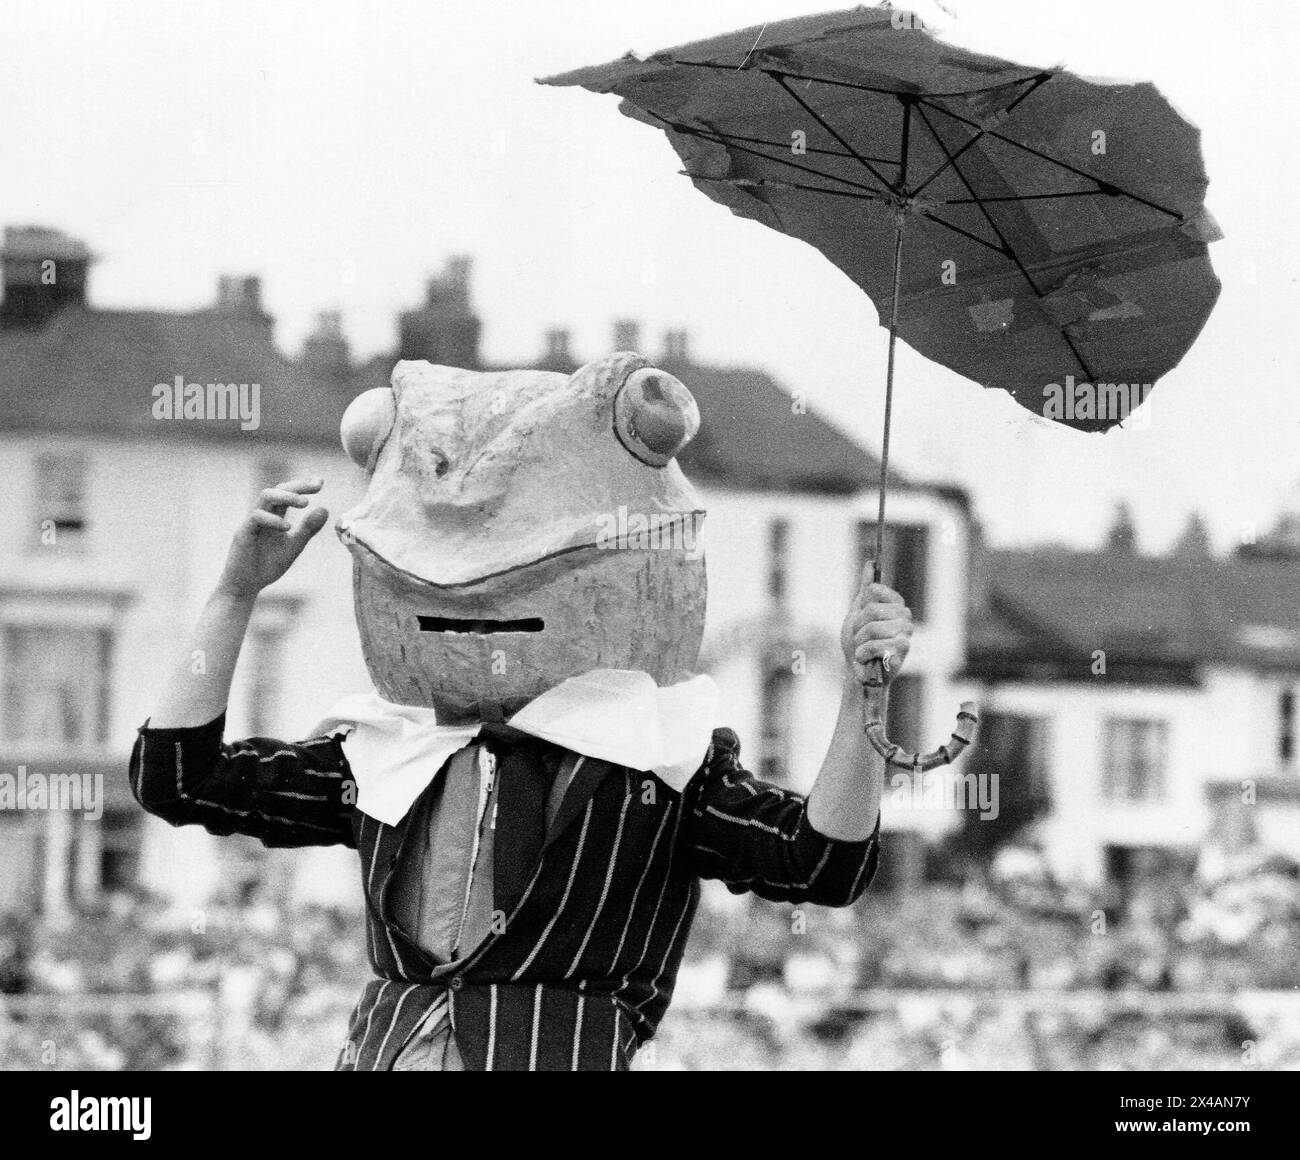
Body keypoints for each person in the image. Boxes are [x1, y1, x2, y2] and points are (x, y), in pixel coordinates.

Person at [130, 356, 914, 1071]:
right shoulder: (385, 753)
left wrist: (863, 696)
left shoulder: (658, 763)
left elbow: (821, 861)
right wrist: (236, 594)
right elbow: (177, 777)